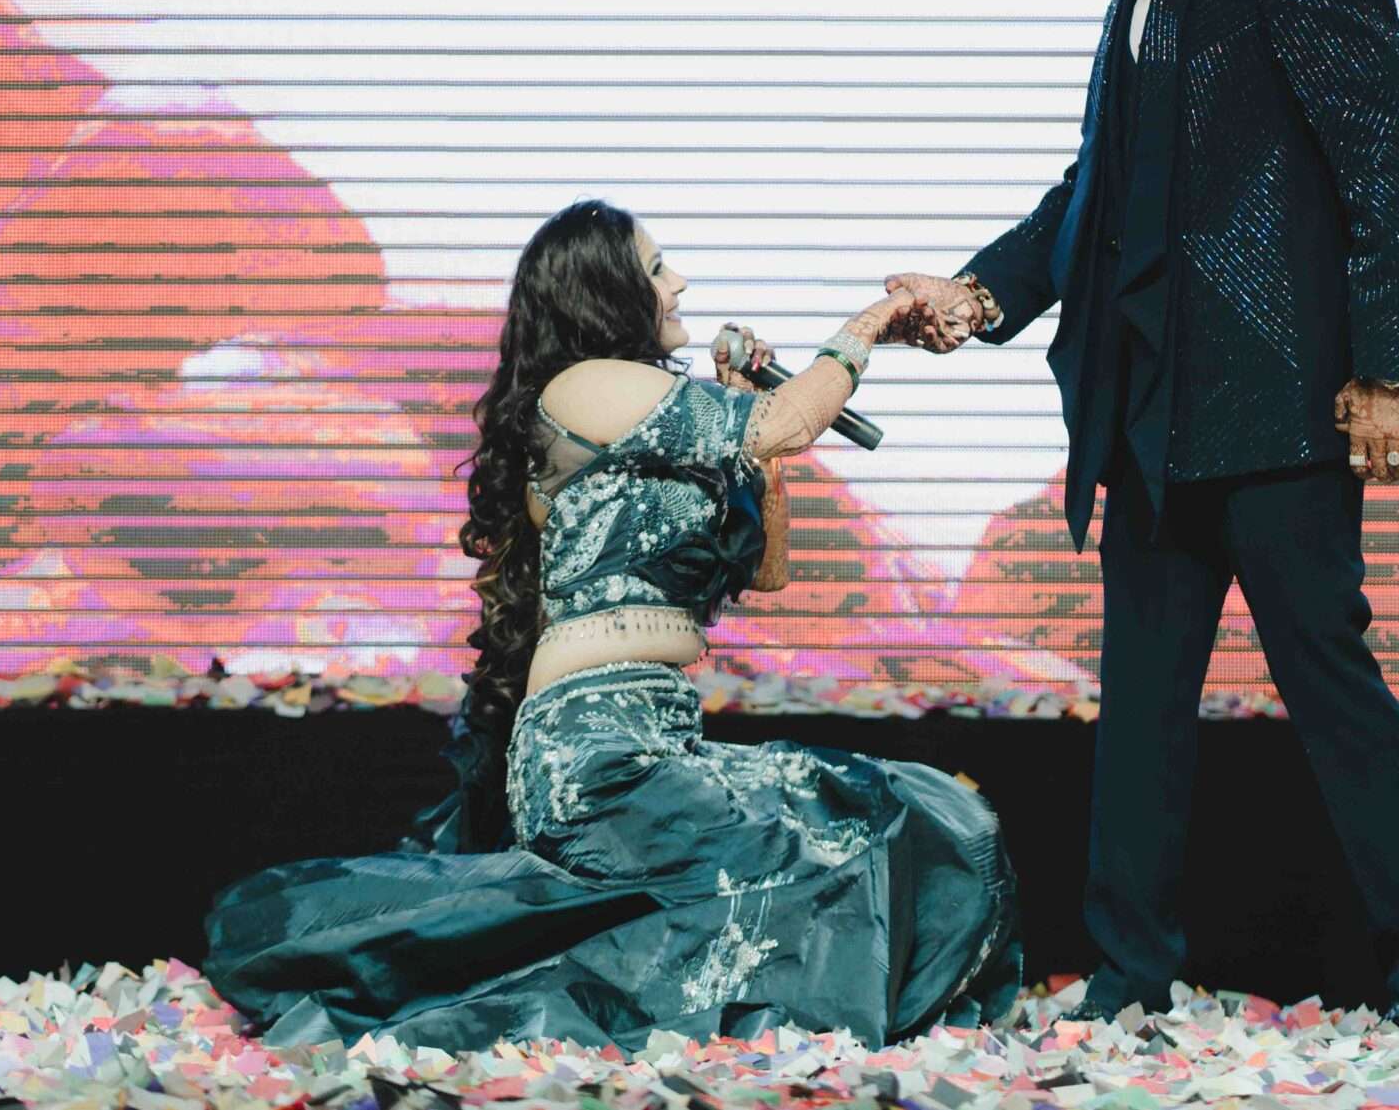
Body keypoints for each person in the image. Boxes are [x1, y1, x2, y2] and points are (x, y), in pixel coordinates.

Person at [887, 0, 1399, 1049]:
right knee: (1141, 714)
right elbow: (1094, 196)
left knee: (1333, 697)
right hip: (1156, 422)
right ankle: (1130, 981)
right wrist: (979, 295)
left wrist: (1391, 371)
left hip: (1277, 416)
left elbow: (1387, 158)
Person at [203, 200, 1021, 1051]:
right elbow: (787, 421)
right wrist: (874, 323)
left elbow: (768, 570)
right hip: (595, 750)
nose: (680, 282)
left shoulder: (658, 412)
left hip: (665, 737)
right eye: (658, 267)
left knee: (900, 812)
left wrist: (750, 426)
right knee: (829, 835)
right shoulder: (584, 384)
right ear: (605, 288)